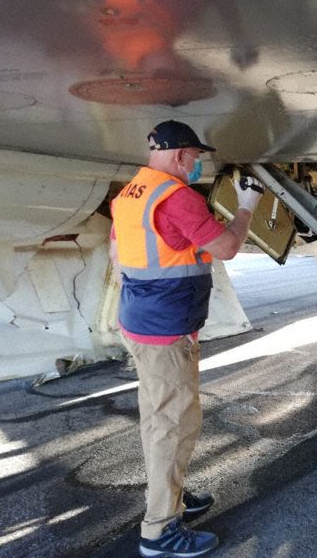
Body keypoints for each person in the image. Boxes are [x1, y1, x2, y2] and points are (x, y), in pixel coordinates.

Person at [109, 119, 264, 557]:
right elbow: (227, 248)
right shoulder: (177, 198)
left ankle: (171, 498)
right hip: (165, 332)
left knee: (161, 419)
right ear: (180, 155)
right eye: (196, 158)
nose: (197, 165)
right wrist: (247, 206)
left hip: (139, 323)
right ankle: (160, 531)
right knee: (172, 427)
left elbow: (123, 252)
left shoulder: (131, 194)